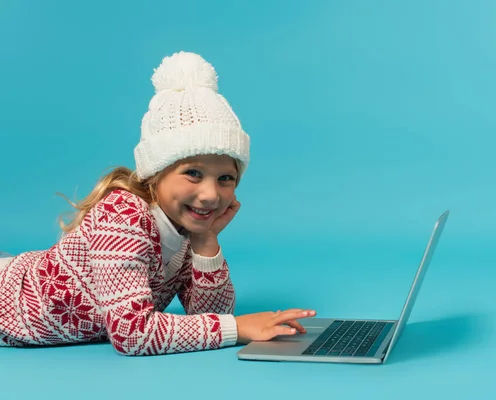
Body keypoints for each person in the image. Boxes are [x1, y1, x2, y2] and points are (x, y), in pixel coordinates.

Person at [0, 51, 316, 356]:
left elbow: (207, 313)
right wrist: (240, 328)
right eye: (193, 173)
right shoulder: (123, 214)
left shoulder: (183, 228)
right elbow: (132, 334)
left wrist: (206, 241)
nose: (210, 195)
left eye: (226, 179)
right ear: (155, 174)